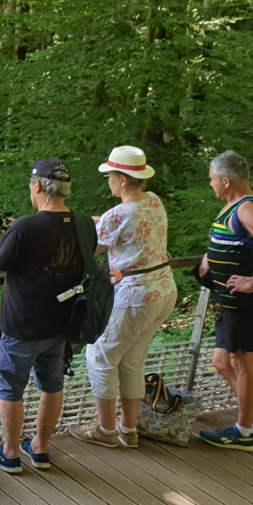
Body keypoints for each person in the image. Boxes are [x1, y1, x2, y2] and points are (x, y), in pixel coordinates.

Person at [0, 158, 82, 473]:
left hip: (21, 326)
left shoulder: (26, 227)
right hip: (62, 323)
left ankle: (10, 454)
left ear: (37, 186)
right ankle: (40, 448)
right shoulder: (82, 223)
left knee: (10, 389)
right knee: (52, 384)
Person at [69, 147, 178, 449]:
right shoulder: (153, 201)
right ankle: (127, 430)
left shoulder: (117, 214)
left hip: (135, 295)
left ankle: (105, 430)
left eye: (110, 176)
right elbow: (112, 223)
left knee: (99, 354)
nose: (108, 181)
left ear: (122, 180)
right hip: (164, 290)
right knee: (132, 359)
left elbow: (93, 250)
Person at [195, 151, 253, 452]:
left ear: (225, 181)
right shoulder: (234, 207)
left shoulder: (247, 208)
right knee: (222, 361)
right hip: (231, 302)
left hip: (245, 301)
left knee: (242, 363)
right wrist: (210, 255)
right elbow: (237, 241)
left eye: (212, 180)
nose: (211, 185)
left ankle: (244, 432)